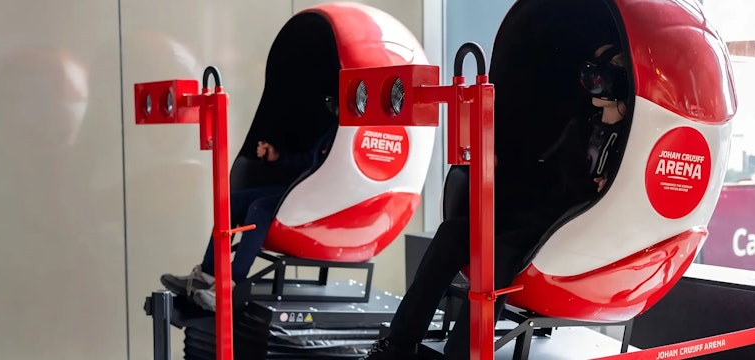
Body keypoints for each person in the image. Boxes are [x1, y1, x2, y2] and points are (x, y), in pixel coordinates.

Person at [364, 43, 630, 360]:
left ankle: (463, 354)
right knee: (452, 233)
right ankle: (397, 344)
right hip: (536, 209)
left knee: (500, 251)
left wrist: (604, 187)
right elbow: (545, 167)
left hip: (568, 227)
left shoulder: (629, 141)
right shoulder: (581, 126)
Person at [161, 98, 339, 311]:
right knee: (234, 202)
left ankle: (229, 286)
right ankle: (207, 275)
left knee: (259, 208)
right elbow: (309, 161)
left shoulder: (348, 135)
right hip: (302, 188)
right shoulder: (334, 129)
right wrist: (278, 157)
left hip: (320, 198)